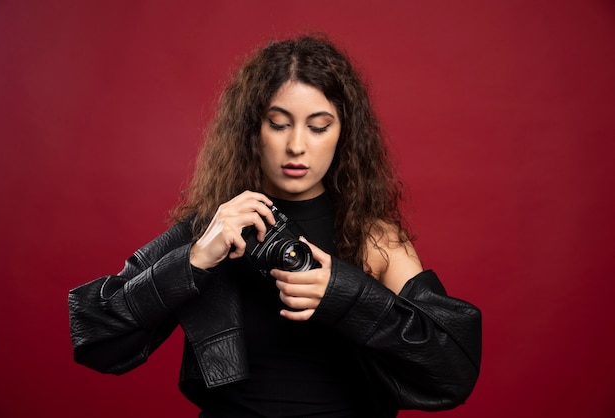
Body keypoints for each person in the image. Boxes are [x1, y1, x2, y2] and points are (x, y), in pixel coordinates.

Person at [68, 35, 481, 417]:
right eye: (279, 124)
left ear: (344, 134)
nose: (297, 145)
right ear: (252, 130)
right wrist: (193, 261)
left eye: (319, 127)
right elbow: (94, 338)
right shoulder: (215, 229)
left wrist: (345, 296)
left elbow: (453, 373)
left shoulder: (376, 239)